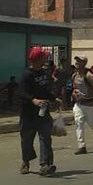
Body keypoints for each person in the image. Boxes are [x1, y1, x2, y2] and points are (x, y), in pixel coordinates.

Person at [20, 46, 56, 176]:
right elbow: (22, 93)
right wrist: (33, 100)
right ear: (36, 59)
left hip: (43, 111)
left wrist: (54, 98)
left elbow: (45, 90)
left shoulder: (44, 73)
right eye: (43, 57)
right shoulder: (27, 75)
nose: (45, 59)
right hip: (28, 113)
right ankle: (25, 162)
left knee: (45, 137)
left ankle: (45, 165)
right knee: (27, 139)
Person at [71, 55, 93, 155]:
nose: (77, 62)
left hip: (90, 104)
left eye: (80, 61)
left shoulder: (89, 75)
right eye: (76, 61)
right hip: (79, 104)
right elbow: (74, 87)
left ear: (84, 63)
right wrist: (74, 93)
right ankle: (82, 146)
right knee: (79, 123)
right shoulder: (74, 75)